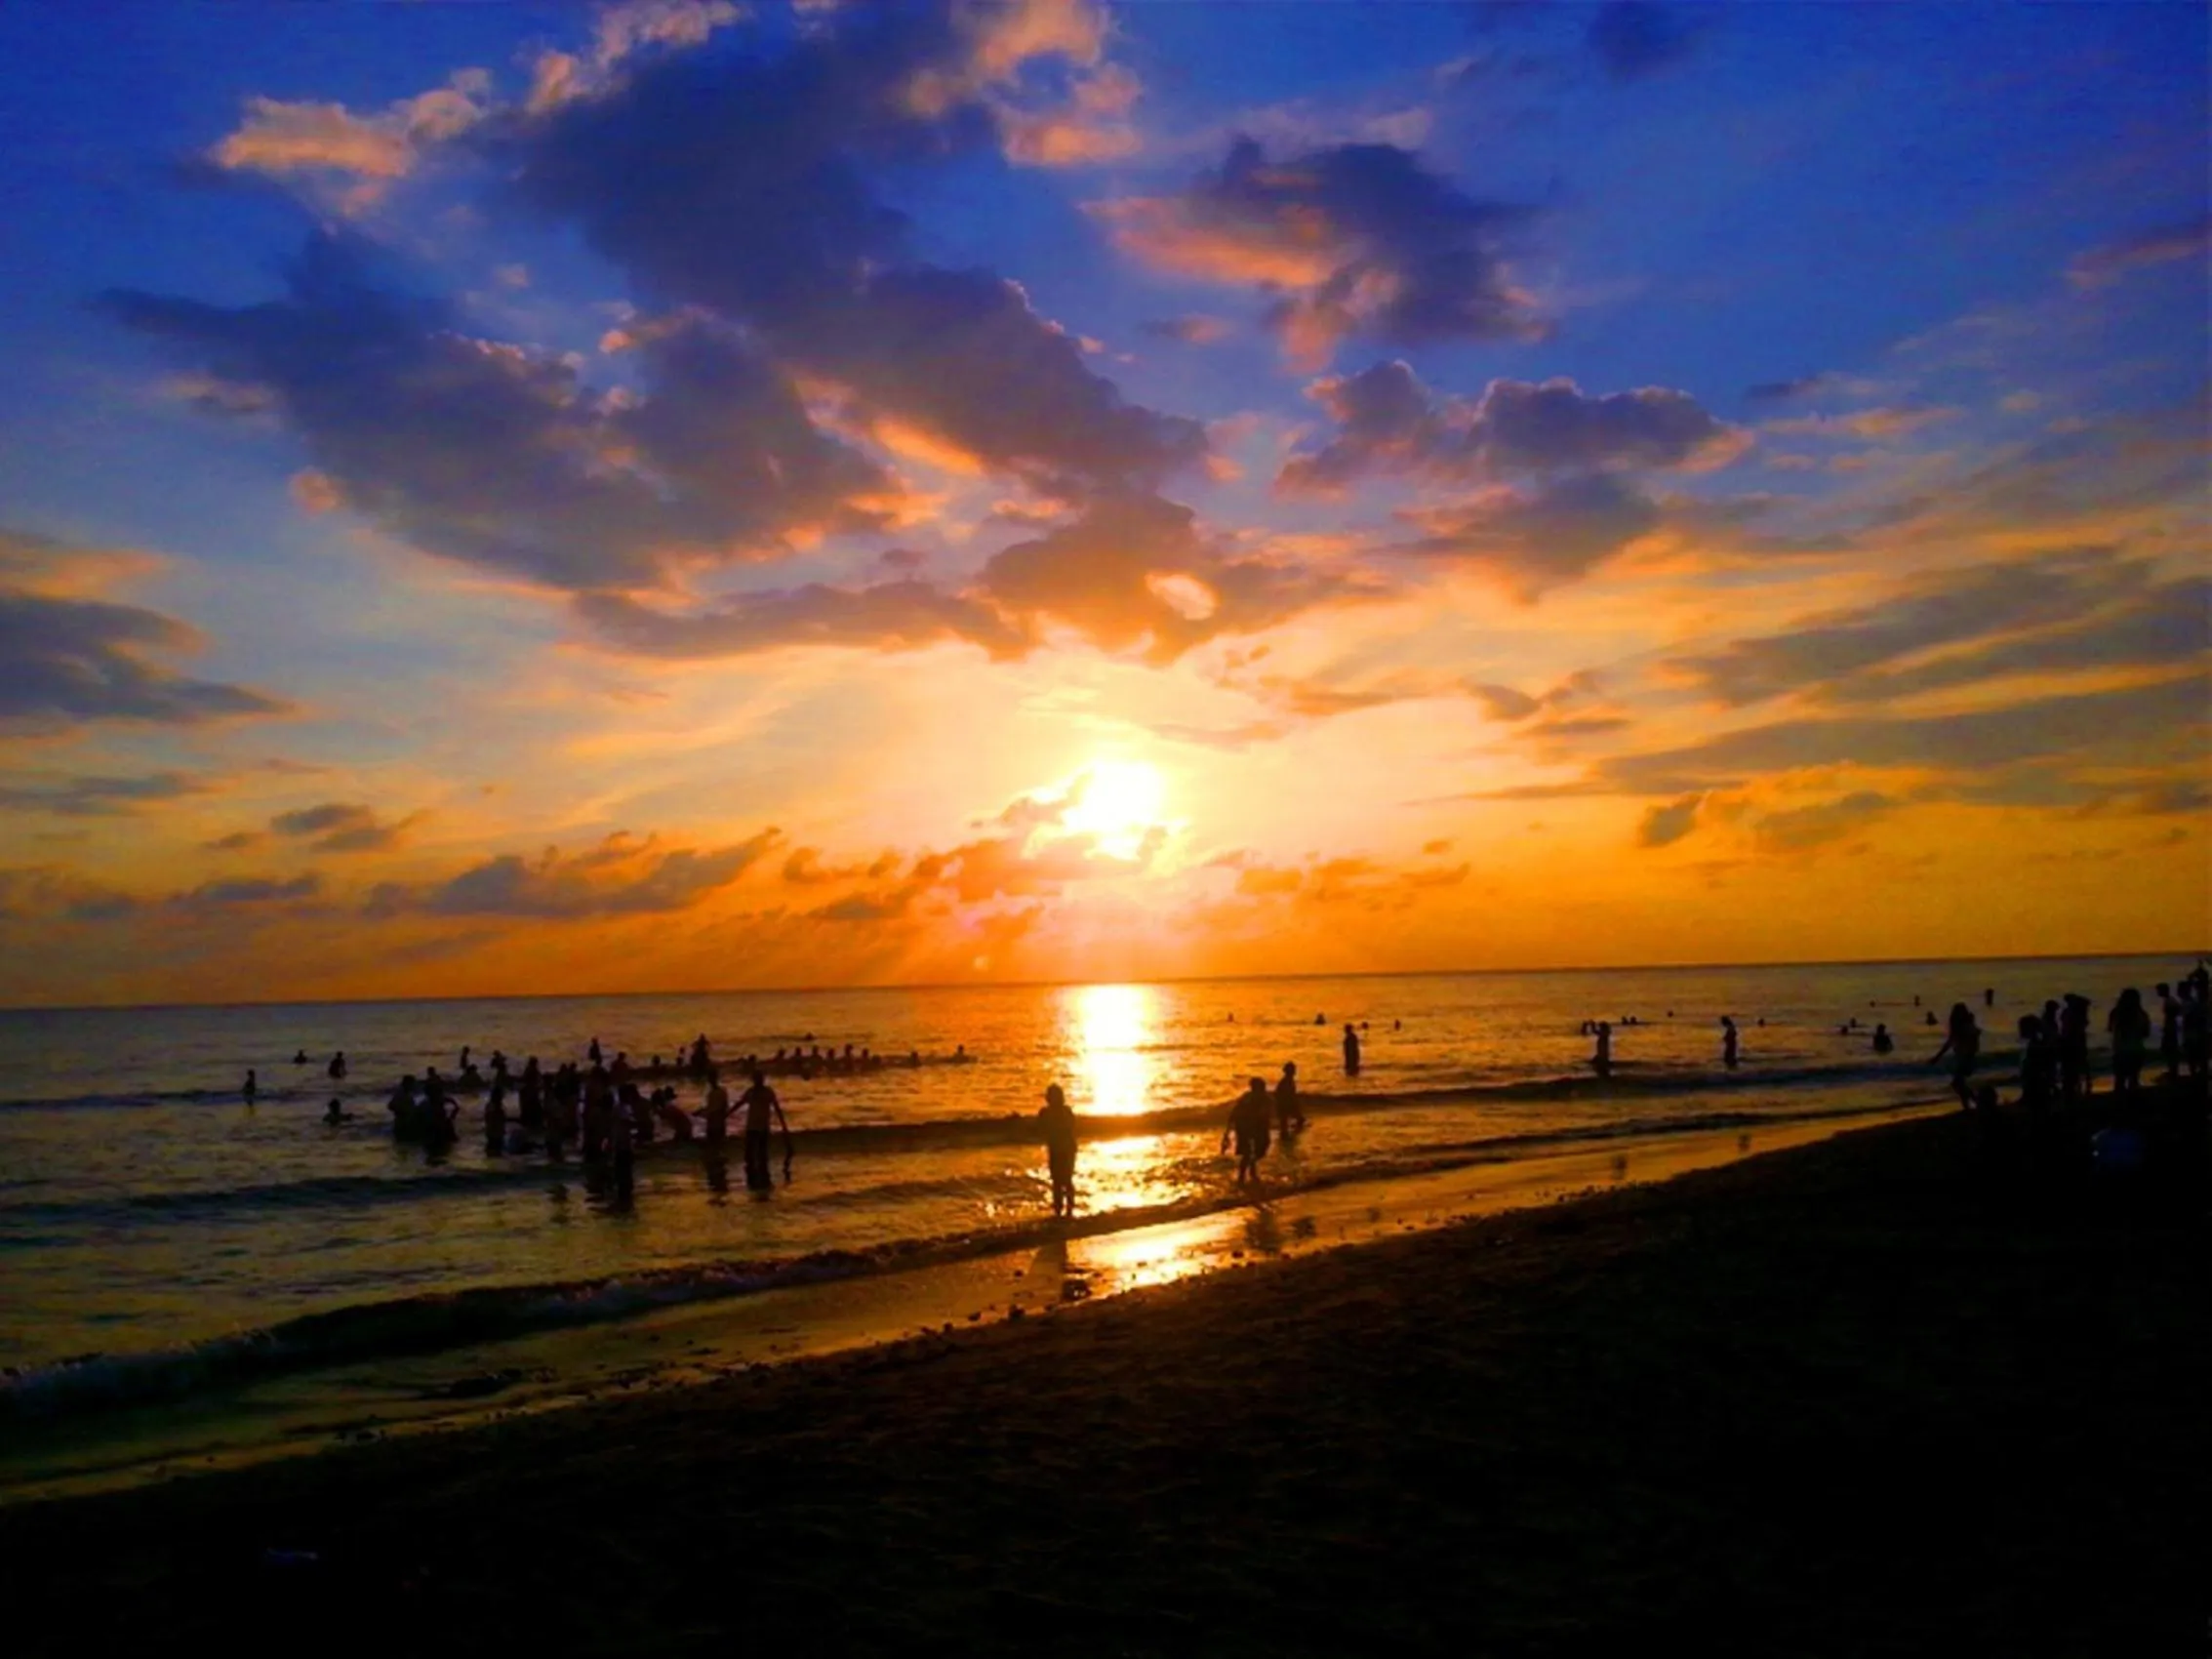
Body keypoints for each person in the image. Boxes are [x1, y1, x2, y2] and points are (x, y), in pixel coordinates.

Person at [741, 1067, 789, 1191]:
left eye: (759, 1078)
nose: (758, 1081)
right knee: (750, 1154)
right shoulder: (750, 1092)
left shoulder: (768, 1092)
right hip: (752, 1126)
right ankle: (755, 1180)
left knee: (762, 1154)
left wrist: (784, 1126)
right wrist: (726, 1115)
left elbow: (777, 1109)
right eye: (756, 1079)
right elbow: (739, 1103)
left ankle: (761, 1180)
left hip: (762, 1127)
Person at [1038, 1083, 1078, 1217]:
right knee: (1058, 1180)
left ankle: (1067, 1207)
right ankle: (1060, 1207)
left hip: (1065, 1149)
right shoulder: (1052, 1112)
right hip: (1059, 1149)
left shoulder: (1060, 1112)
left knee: (1064, 1180)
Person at [1223, 1077, 1271, 1183]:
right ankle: (1243, 1176)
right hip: (1245, 1127)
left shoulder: (1263, 1098)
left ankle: (1250, 1171)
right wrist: (1227, 1132)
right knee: (1248, 1153)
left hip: (1251, 1127)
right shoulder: (1248, 1098)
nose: (1263, 1089)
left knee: (1259, 1149)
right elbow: (1235, 1112)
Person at [1931, 1003, 1980, 1110]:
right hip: (1961, 1057)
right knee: (1959, 1083)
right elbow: (1949, 1043)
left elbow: (1974, 1043)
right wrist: (1937, 1057)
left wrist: (1937, 1057)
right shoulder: (1961, 1027)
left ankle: (1974, 1101)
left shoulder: (1967, 1027)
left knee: (1957, 1083)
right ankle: (1969, 1104)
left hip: (1966, 1058)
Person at [2108, 989, 2151, 1098]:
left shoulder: (2115, 1013)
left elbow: (2110, 1029)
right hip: (2137, 1049)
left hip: (2120, 1050)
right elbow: (2146, 1033)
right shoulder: (2142, 1014)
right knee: (2134, 1080)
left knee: (2119, 1081)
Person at [2058, 994, 2092, 1103]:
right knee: (2079, 1065)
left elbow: (2066, 1029)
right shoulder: (2077, 1014)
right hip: (2076, 1042)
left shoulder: (2072, 1013)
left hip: (2071, 1042)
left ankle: (2076, 1088)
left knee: (2071, 1067)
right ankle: (2082, 1087)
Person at [1273, 1062, 1305, 1138]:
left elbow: (1279, 1093)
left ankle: (1288, 1134)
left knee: (1286, 1122)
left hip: (1284, 1104)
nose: (1294, 1071)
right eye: (1293, 1070)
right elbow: (1287, 1094)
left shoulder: (1287, 1081)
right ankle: (1288, 1135)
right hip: (1285, 1104)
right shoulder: (1286, 1081)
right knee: (1286, 1123)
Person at [702, 1067, 731, 1146]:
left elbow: (720, 1108)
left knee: (714, 1144)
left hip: (715, 1122)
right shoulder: (718, 1092)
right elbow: (724, 1108)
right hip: (716, 1122)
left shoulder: (715, 1093)